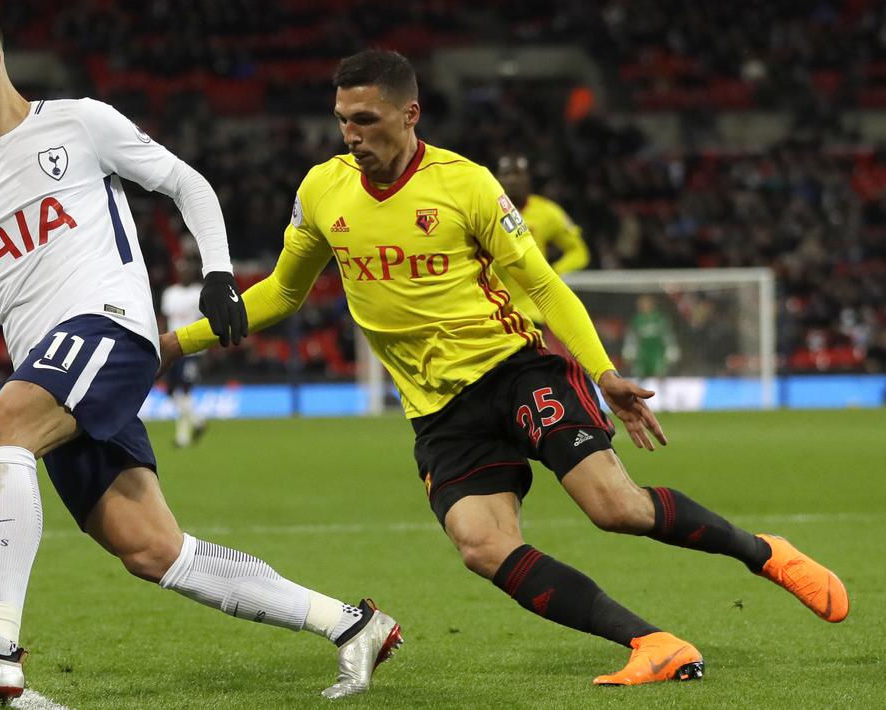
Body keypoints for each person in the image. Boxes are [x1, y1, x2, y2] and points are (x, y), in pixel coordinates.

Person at [161, 49, 848, 686]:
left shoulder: (466, 185)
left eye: (365, 120)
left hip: (516, 370)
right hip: (437, 411)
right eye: (342, 121)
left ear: (409, 114)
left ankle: (764, 553)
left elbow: (545, 285)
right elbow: (283, 291)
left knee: (616, 510)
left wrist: (601, 370)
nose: (351, 135)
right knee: (481, 546)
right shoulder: (320, 190)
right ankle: (652, 643)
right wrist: (175, 343)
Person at [0, 3, 401, 702]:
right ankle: (351, 624)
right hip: (53, 365)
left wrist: (218, 274)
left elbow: (187, 183)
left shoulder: (80, 123)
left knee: (2, 429)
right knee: (152, 549)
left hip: (109, 329)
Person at [494, 152, 589, 326]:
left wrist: (554, 272)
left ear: (528, 178)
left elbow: (579, 252)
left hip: (532, 312)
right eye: (506, 174)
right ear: (496, 178)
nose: (512, 180)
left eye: (517, 174)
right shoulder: (486, 210)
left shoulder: (548, 212)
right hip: (491, 309)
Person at [159, 252, 208, 447]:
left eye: (187, 270)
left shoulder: (199, 292)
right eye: (181, 270)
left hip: (192, 350)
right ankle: (198, 422)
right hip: (173, 347)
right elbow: (164, 320)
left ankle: (183, 437)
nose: (184, 273)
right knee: (172, 391)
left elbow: (205, 320)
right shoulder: (170, 293)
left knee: (185, 390)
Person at [622, 294, 680, 379]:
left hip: (657, 353)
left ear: (652, 304)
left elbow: (668, 335)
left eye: (646, 303)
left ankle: (661, 391)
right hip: (641, 354)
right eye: (641, 303)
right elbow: (631, 337)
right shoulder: (636, 320)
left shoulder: (660, 318)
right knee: (640, 376)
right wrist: (629, 350)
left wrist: (671, 348)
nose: (644, 305)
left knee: (659, 375)